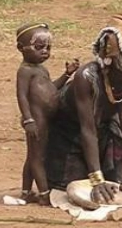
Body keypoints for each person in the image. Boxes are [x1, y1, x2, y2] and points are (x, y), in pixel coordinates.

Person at [44, 15, 122, 206]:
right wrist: (97, 180)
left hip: (106, 130)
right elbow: (87, 129)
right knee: (69, 187)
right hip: (68, 132)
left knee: (118, 184)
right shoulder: (87, 77)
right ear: (111, 56)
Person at [14, 23, 78, 205]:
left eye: (48, 47)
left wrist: (67, 75)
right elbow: (21, 96)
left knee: (33, 156)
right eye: (39, 47)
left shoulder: (41, 70)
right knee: (37, 157)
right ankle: (44, 194)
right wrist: (28, 119)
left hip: (45, 119)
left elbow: (51, 89)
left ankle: (26, 192)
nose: (45, 52)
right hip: (36, 119)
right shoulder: (25, 71)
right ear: (21, 48)